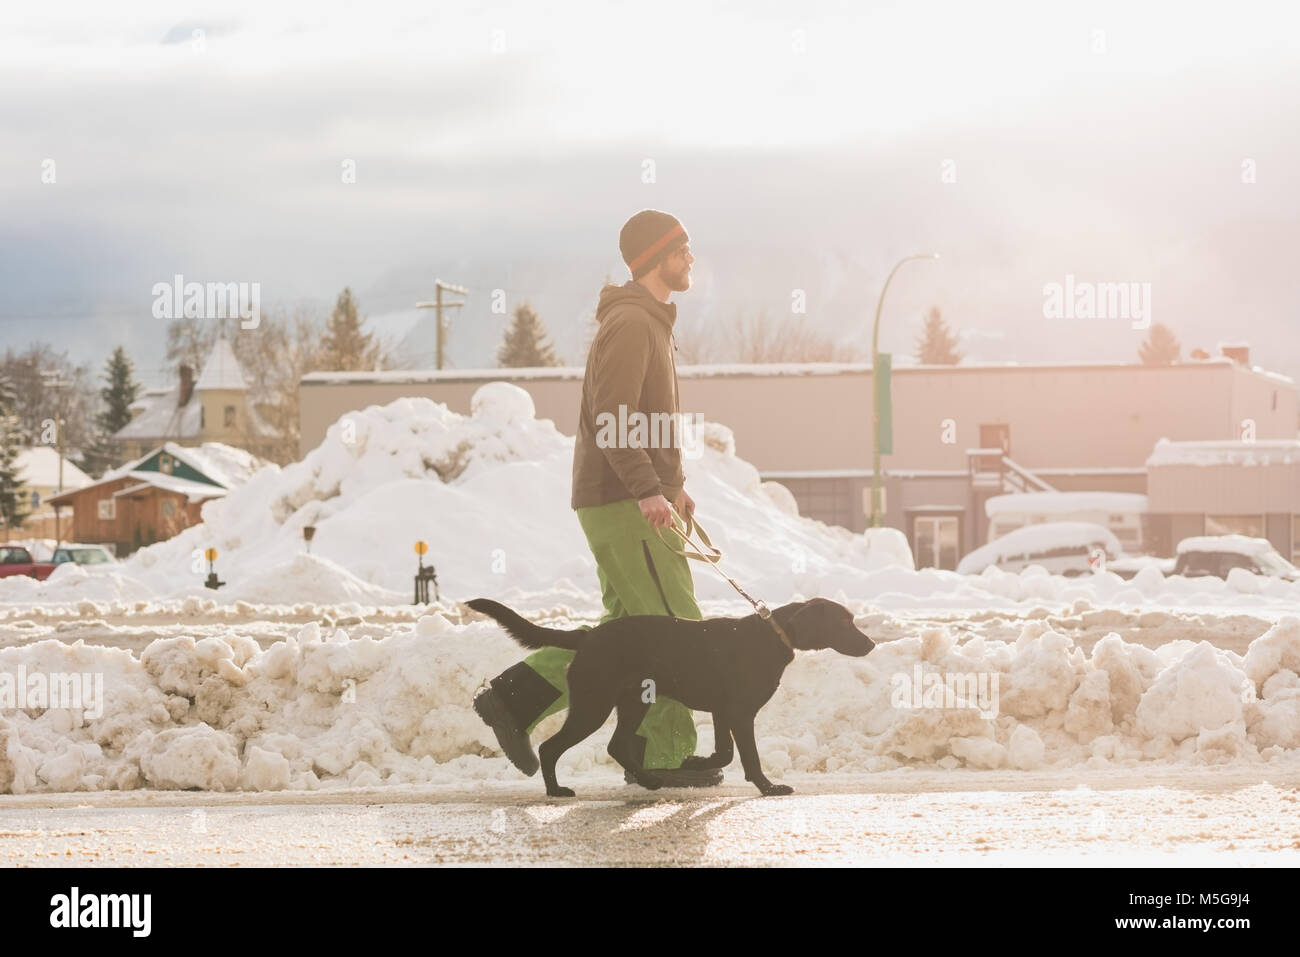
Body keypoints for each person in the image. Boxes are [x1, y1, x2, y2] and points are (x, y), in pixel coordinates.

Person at [473, 208, 720, 787]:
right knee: (671, 627)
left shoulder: (649, 322)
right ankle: (660, 756)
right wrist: (645, 489)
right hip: (623, 503)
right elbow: (615, 418)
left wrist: (674, 486)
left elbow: (652, 419)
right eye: (682, 248)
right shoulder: (634, 324)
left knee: (626, 634)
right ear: (656, 257)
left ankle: (512, 701)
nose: (691, 258)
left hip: (628, 500)